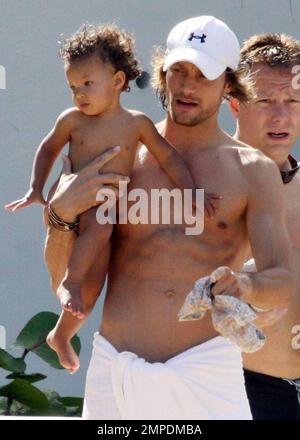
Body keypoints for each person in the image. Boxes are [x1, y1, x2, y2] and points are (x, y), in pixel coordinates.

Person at [44, 16, 294, 419]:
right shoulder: (118, 155)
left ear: (229, 84)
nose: (188, 85)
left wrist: (244, 283)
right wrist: (60, 215)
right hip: (114, 371)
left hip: (206, 374)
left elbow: (282, 279)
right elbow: (66, 279)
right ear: (162, 73)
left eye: (203, 74)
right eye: (178, 70)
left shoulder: (252, 170)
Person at [4, 24, 220, 372]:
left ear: (118, 82)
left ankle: (61, 333)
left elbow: (169, 158)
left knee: (95, 285)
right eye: (73, 87)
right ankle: (69, 283)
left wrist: (191, 191)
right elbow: (47, 149)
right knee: (88, 255)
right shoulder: (72, 120)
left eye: (87, 85)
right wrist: (35, 189)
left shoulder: (137, 123)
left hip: (107, 206)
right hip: (76, 197)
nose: (79, 95)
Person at [230, 32, 300, 420]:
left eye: (292, 101)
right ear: (235, 103)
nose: (281, 116)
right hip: (244, 389)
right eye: (266, 101)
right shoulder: (205, 187)